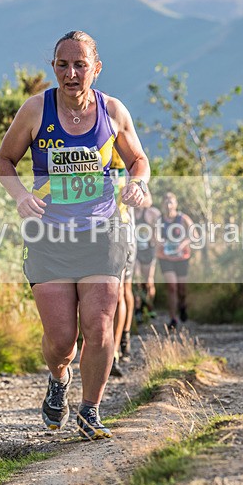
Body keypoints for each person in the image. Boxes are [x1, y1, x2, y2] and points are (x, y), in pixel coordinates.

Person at [0, 30, 150, 440]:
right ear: (54, 68)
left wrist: (138, 183)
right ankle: (59, 380)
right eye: (63, 64)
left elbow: (139, 160)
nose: (71, 73)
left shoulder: (113, 111)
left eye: (80, 64)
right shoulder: (34, 110)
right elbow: (4, 161)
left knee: (99, 328)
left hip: (103, 231)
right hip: (50, 236)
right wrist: (21, 196)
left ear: (95, 69)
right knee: (62, 339)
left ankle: (91, 410)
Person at [109, 149, 139, 375]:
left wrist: (137, 190)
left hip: (123, 228)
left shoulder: (125, 148)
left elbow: (145, 194)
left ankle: (115, 349)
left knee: (119, 292)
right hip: (89, 228)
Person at [156, 192, 194, 330]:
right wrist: (159, 242)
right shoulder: (159, 220)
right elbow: (155, 236)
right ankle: (173, 318)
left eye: (171, 202)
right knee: (171, 287)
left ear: (176, 204)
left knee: (181, 289)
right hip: (165, 257)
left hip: (182, 257)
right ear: (162, 205)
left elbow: (194, 234)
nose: (168, 205)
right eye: (165, 202)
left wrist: (182, 244)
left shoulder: (183, 218)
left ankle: (182, 306)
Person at [133, 199, 160, 324]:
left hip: (149, 251)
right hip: (136, 252)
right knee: (137, 281)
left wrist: (156, 238)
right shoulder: (130, 212)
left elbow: (161, 223)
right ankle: (138, 309)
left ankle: (149, 307)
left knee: (148, 281)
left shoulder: (150, 213)